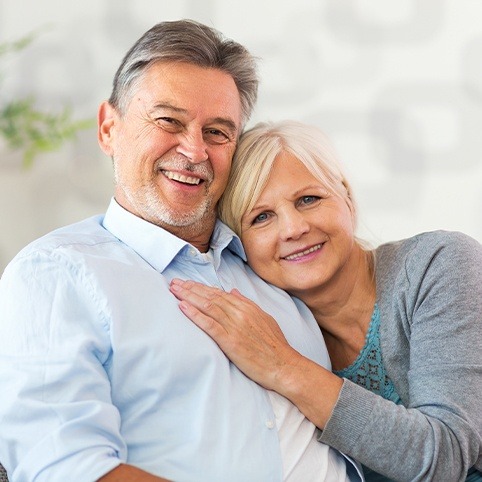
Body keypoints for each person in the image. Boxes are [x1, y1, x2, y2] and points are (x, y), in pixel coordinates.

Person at [0, 22, 363, 482]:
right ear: (109, 128)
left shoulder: (275, 264)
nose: (194, 151)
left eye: (217, 132)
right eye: (169, 121)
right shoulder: (57, 273)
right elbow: (67, 467)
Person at [169, 120, 482, 482]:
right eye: (262, 217)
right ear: (241, 245)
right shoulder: (275, 329)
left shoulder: (438, 263)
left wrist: (284, 367)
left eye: (308, 199)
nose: (293, 229)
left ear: (346, 197)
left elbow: (445, 457)